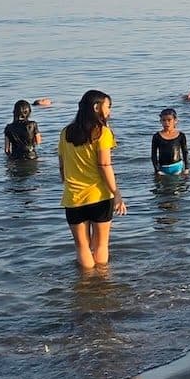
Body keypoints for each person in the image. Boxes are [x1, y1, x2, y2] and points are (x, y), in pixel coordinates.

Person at [58, 89, 124, 269]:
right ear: (96, 107)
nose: (109, 111)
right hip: (99, 195)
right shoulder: (103, 132)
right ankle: (101, 280)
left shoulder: (66, 133)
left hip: (73, 197)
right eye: (108, 106)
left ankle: (86, 280)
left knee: (82, 247)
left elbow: (62, 166)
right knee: (101, 245)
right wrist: (116, 193)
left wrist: (68, 183)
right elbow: (104, 165)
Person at [152, 108, 190, 175]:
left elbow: (185, 152)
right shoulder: (157, 136)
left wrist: (187, 168)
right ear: (160, 121)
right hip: (162, 168)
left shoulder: (181, 135)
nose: (166, 123)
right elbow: (153, 155)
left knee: (179, 182)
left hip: (177, 167)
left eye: (169, 120)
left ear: (175, 121)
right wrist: (157, 170)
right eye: (164, 120)